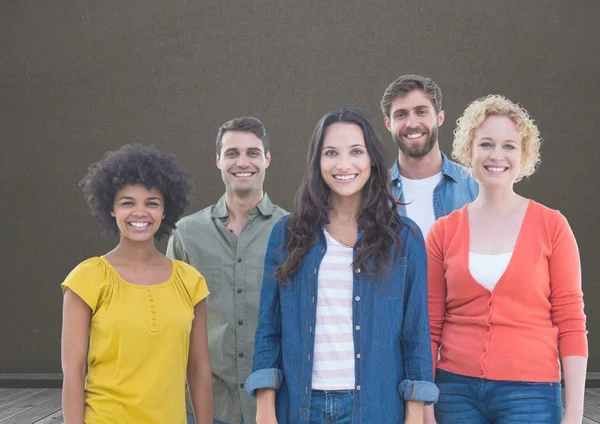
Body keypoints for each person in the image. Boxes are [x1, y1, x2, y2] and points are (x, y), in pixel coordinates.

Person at [246, 108, 438, 424]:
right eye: (331, 153)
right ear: (317, 162)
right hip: (302, 407)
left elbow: (415, 334)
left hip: (376, 408)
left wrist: (415, 414)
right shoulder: (287, 233)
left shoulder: (403, 238)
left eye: (356, 152)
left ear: (372, 160)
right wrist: (265, 410)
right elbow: (269, 329)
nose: (343, 164)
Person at [426, 95, 588, 423]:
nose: (496, 156)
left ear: (523, 155)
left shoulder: (552, 226)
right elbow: (429, 325)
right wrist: (426, 404)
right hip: (455, 393)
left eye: (509, 146)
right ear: (469, 150)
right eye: (486, 144)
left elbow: (570, 322)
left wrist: (574, 412)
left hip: (531, 394)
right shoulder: (443, 232)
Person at [61, 144, 212, 424]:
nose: (140, 213)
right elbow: (73, 373)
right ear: (111, 208)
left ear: (165, 210)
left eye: (152, 203)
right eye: (127, 202)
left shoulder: (191, 282)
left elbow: (199, 369)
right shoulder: (87, 279)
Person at [167, 117, 287, 424]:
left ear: (267, 159)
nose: (242, 162)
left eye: (252, 153)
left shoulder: (295, 232)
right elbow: (170, 323)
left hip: (277, 407)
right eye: (232, 153)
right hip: (205, 408)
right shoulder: (186, 234)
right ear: (219, 160)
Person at [381, 74, 478, 237]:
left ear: (440, 118)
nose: (412, 123)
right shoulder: (375, 192)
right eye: (401, 114)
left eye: (421, 112)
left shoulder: (476, 186)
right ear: (387, 124)